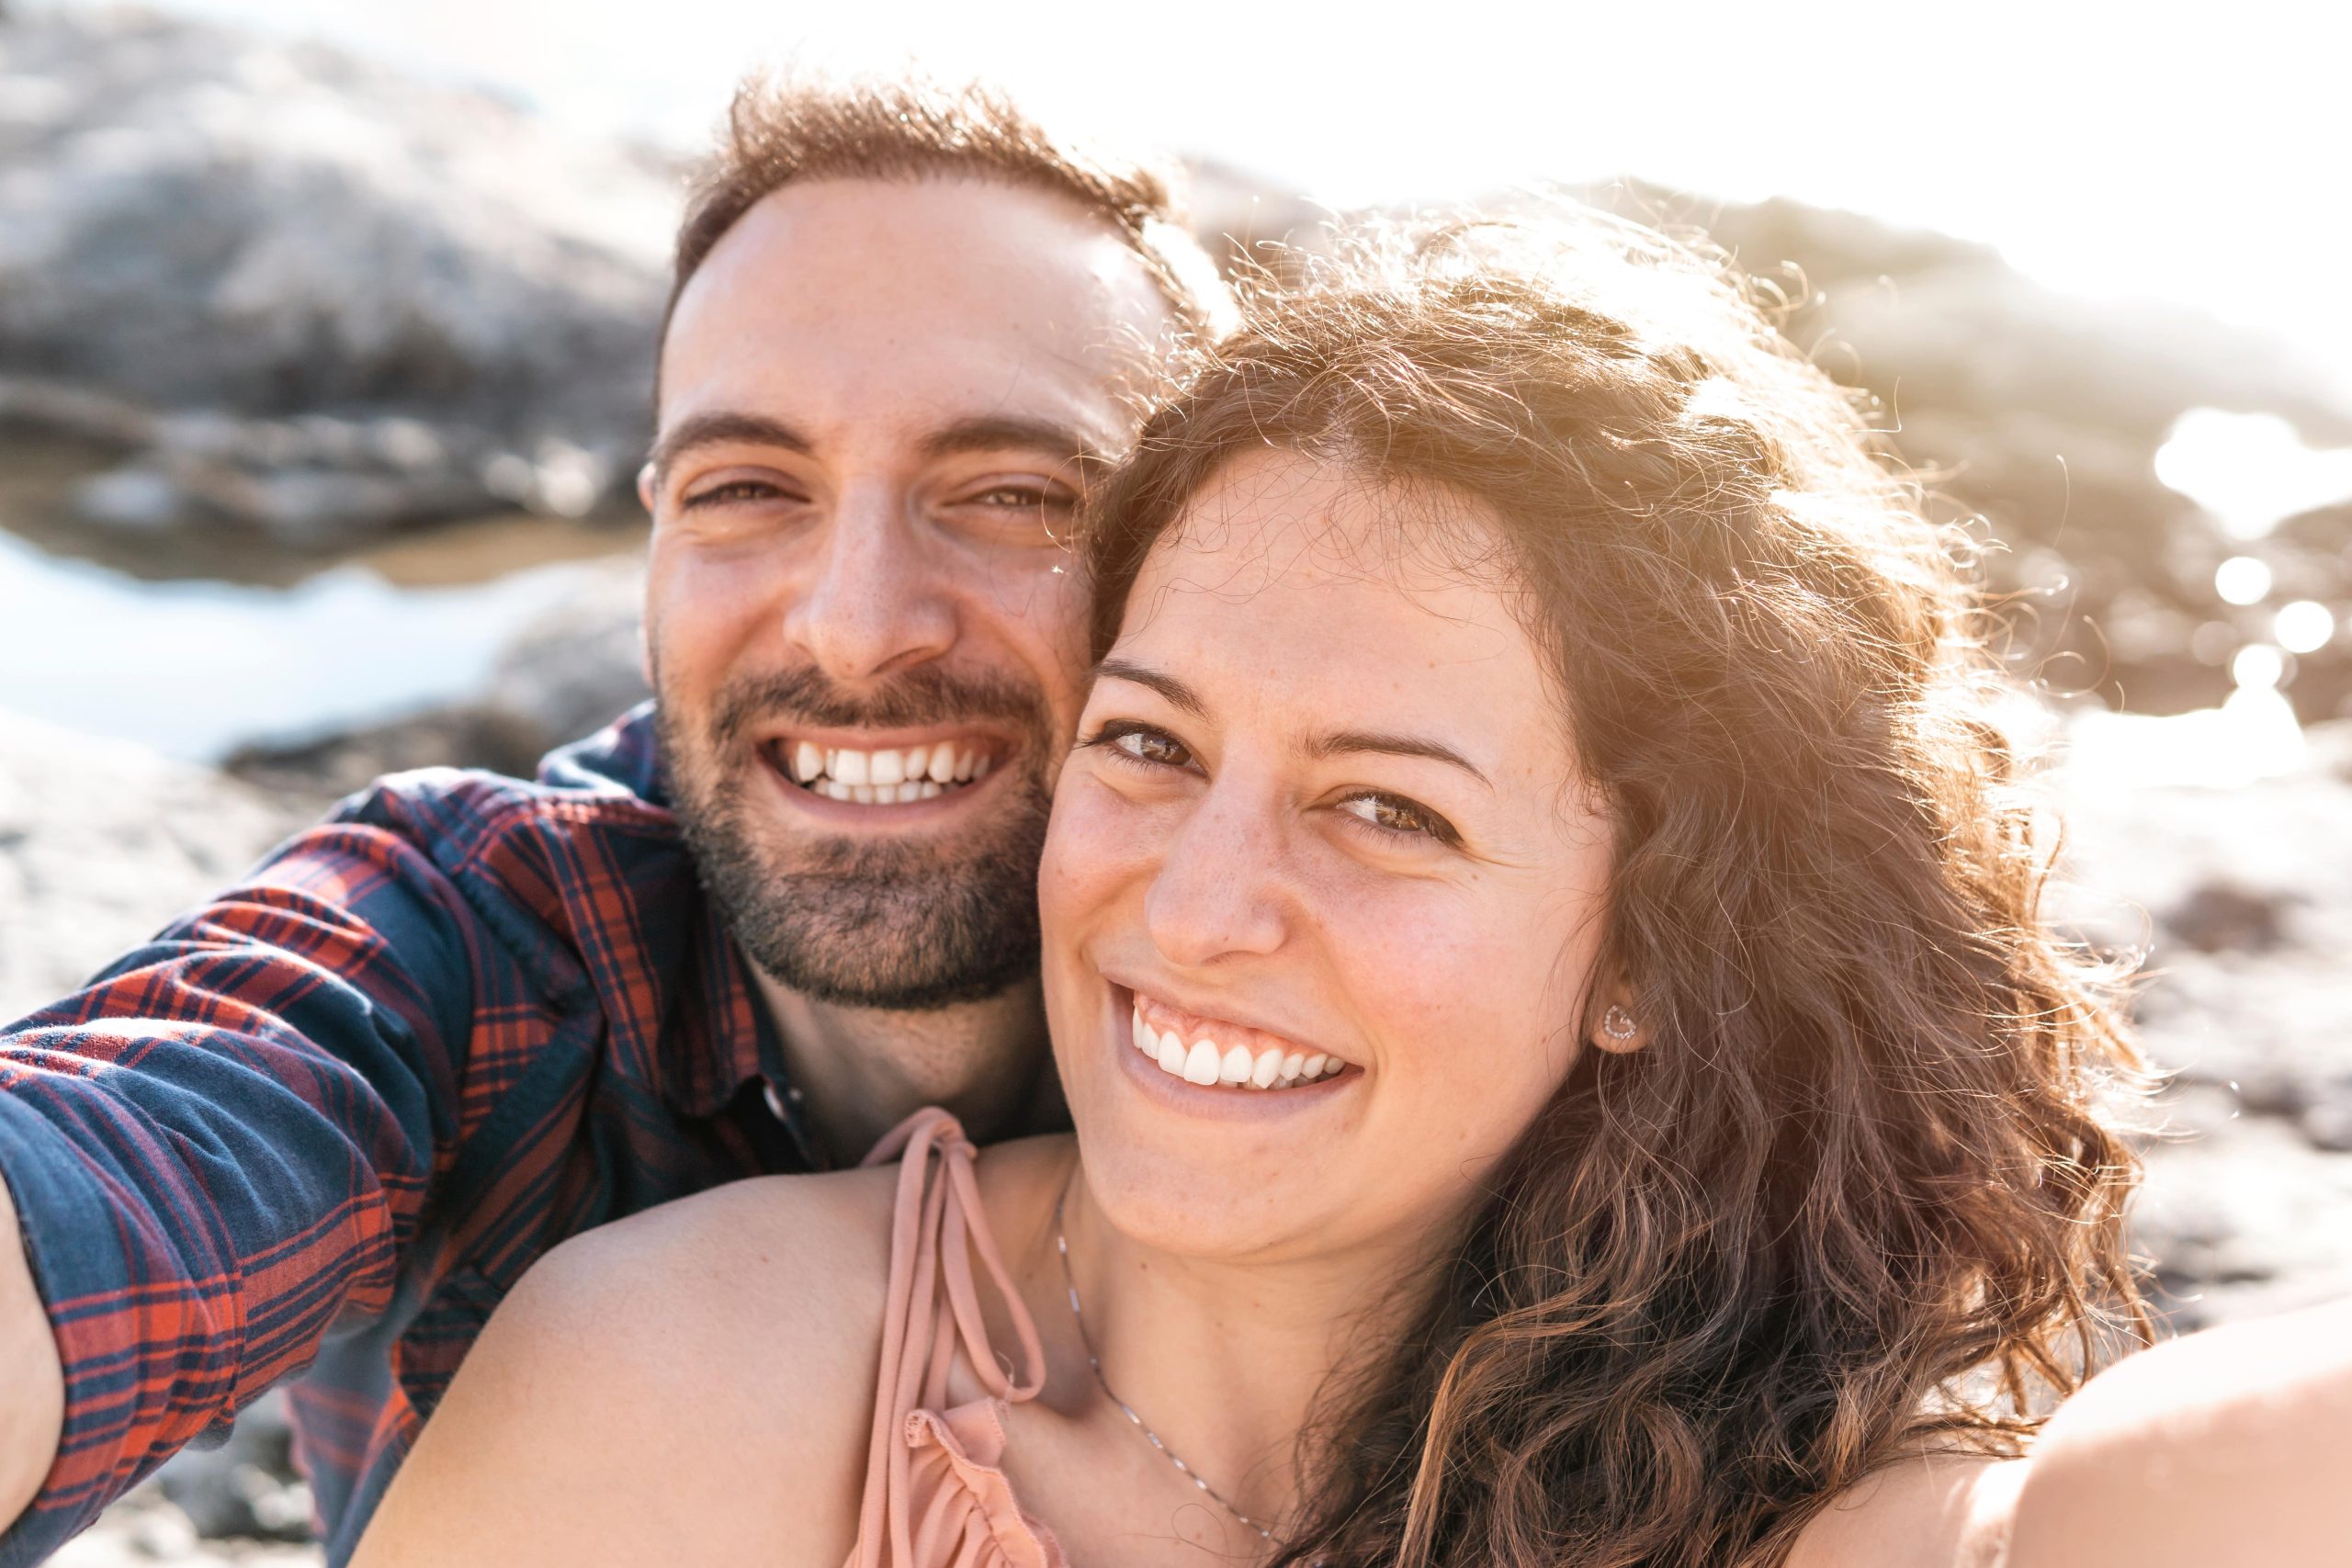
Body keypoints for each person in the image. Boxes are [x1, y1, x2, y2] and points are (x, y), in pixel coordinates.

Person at [351, 211, 2352, 1568]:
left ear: (1649, 944)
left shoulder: (1788, 1504)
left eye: (1385, 809)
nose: (1198, 907)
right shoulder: (707, 1372)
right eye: (1146, 745)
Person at [0, 76, 1228, 1565]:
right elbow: (139, 1142)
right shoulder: (457, 950)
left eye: (1017, 492)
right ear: (650, 534)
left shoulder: (1330, 1010)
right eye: (748, 486)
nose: (854, 630)